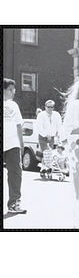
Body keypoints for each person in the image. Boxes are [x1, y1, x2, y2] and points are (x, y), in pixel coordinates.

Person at [3, 78, 27, 214]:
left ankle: (14, 204)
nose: (14, 92)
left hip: (13, 144)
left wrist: (21, 143)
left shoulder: (14, 106)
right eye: (10, 90)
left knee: (16, 173)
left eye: (14, 89)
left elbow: (18, 125)